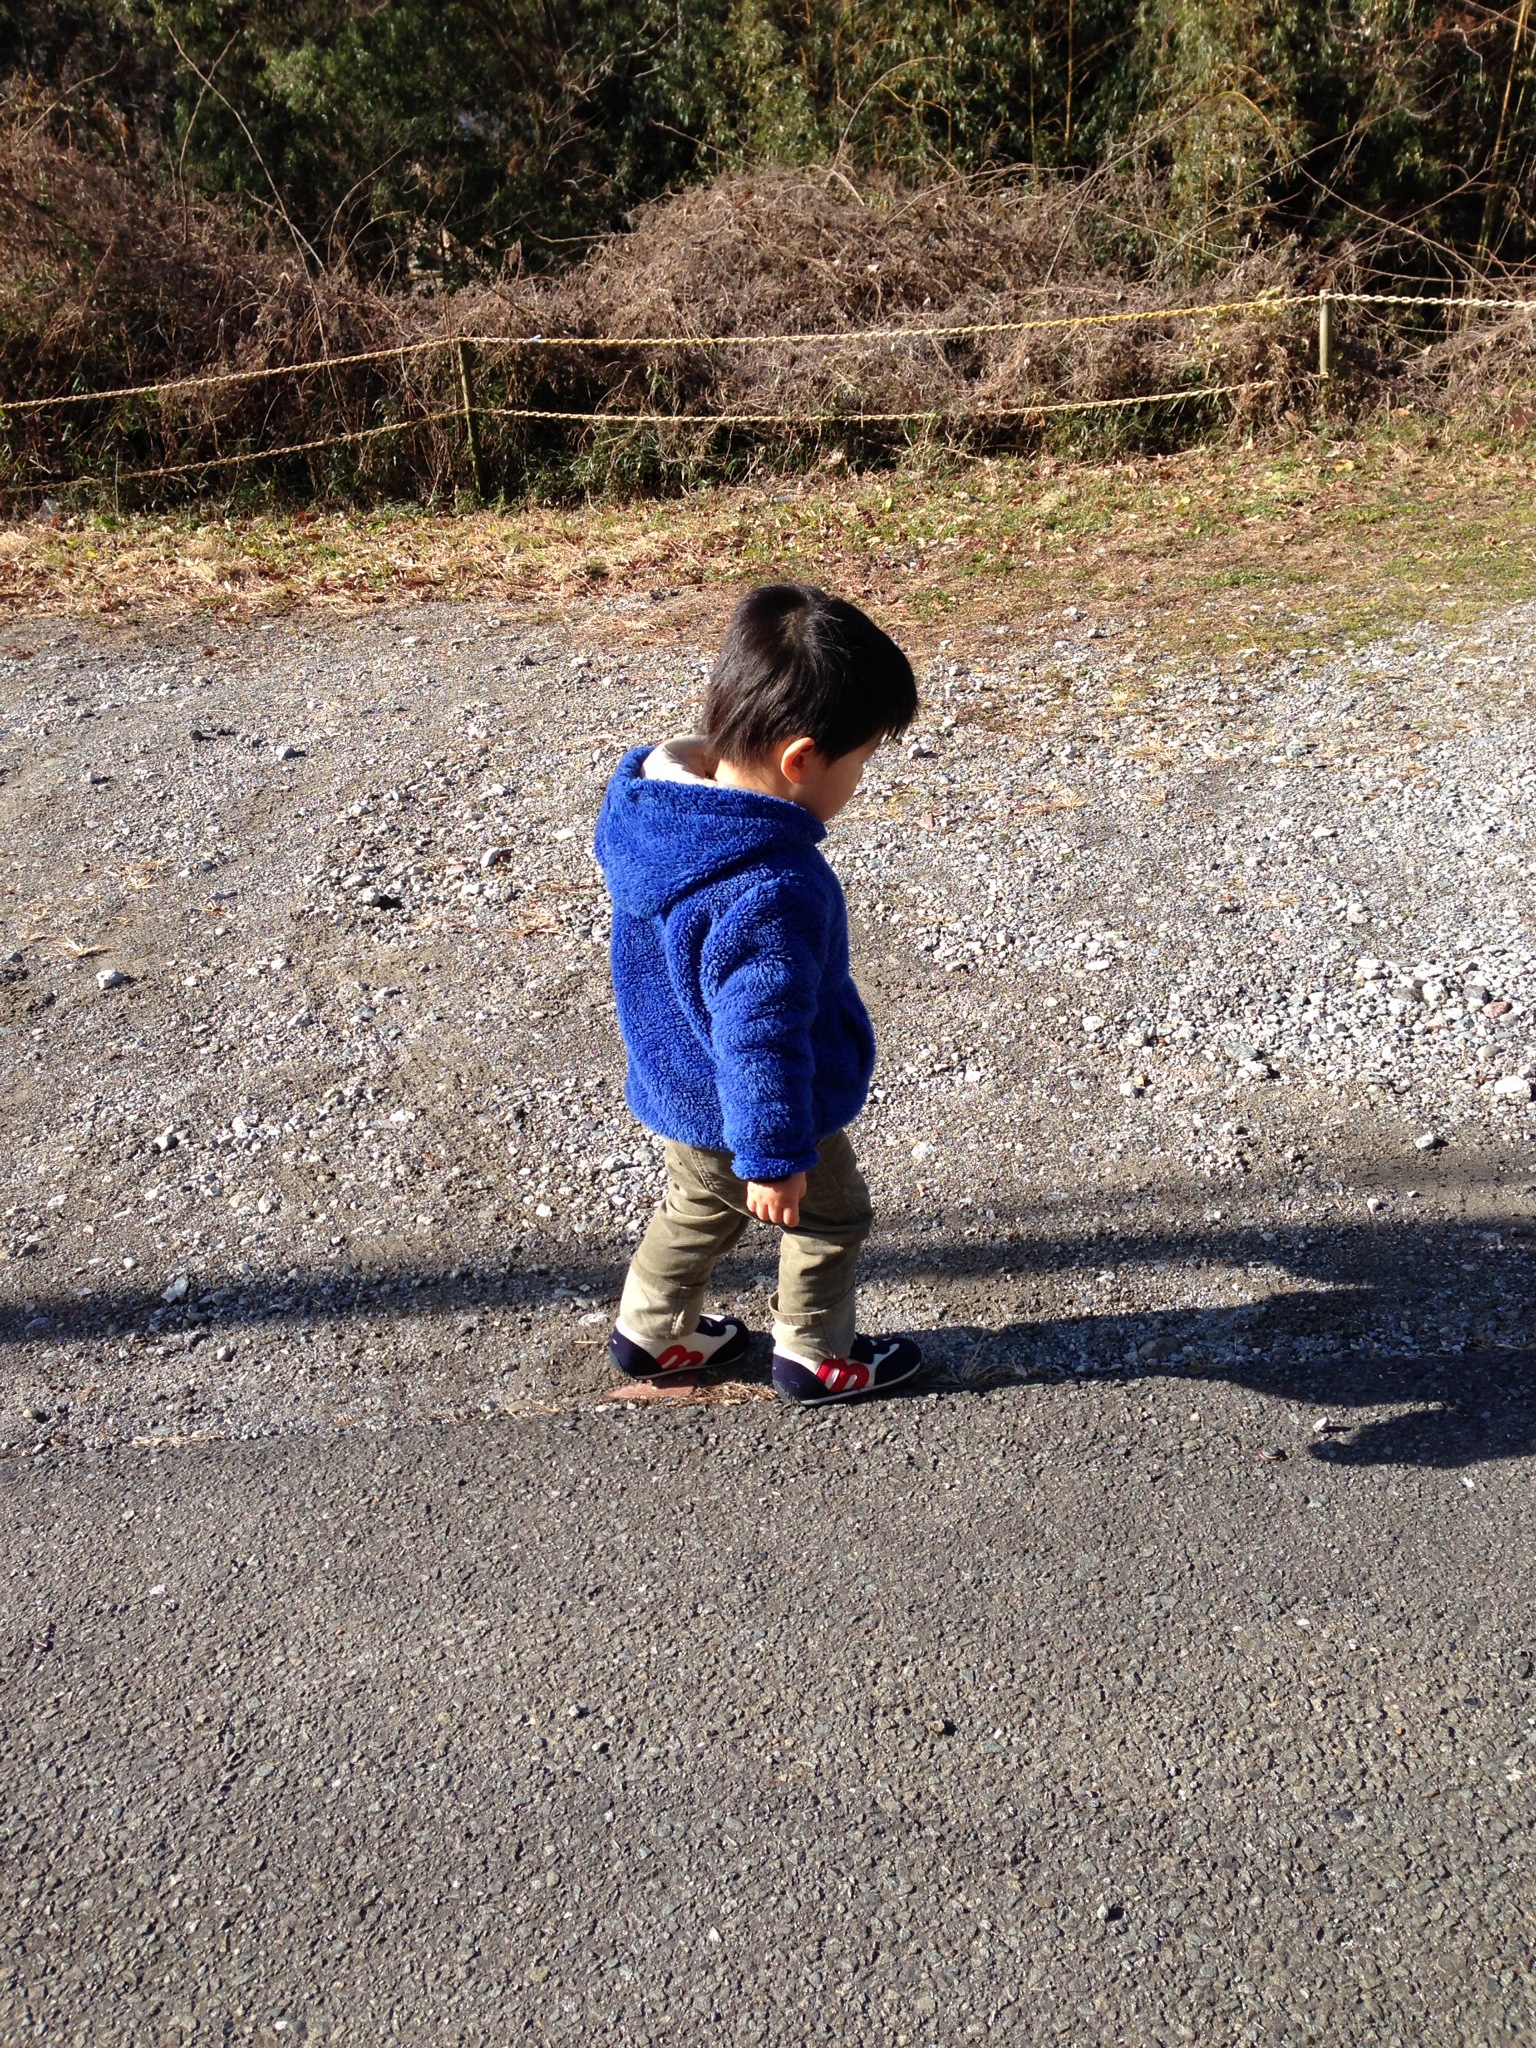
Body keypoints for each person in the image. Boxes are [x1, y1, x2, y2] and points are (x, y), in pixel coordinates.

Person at [594, 581, 922, 1405]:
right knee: (830, 1218)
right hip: (769, 1105)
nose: (858, 781)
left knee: (697, 1205)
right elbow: (762, 1034)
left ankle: (652, 1330)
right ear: (801, 760)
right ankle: (814, 1354)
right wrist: (776, 1157)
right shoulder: (771, 885)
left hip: (679, 1082)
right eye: (860, 763)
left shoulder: (658, 814)